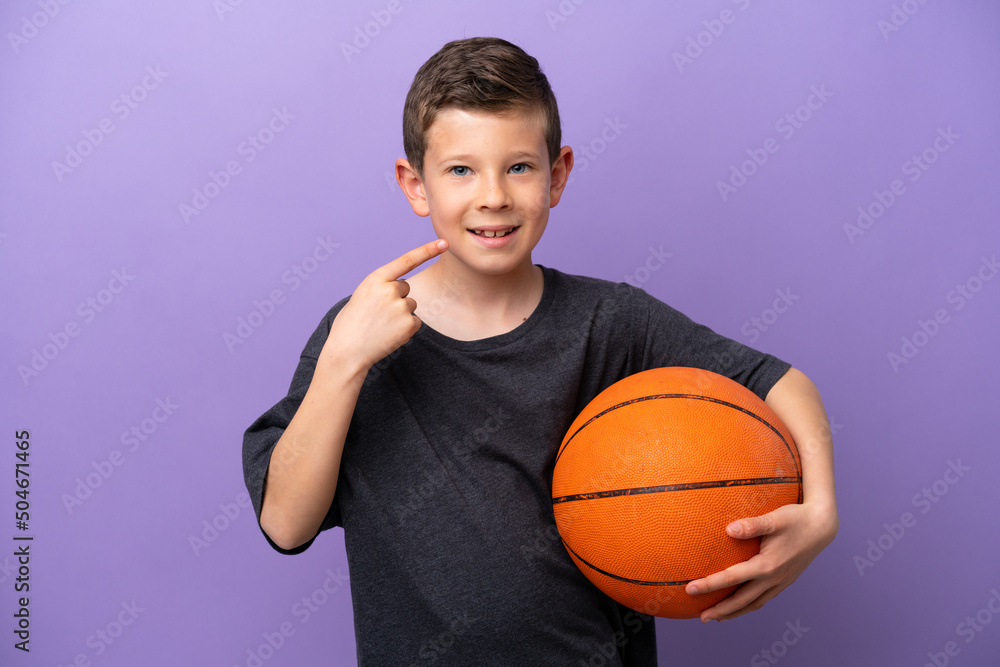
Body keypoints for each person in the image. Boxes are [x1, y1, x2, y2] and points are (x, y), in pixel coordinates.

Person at [243, 36, 838, 666]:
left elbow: (778, 380)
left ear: (557, 175)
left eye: (520, 166)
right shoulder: (358, 331)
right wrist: (344, 363)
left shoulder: (612, 321)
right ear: (415, 185)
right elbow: (287, 523)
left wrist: (820, 511)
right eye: (460, 169)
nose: (493, 195)